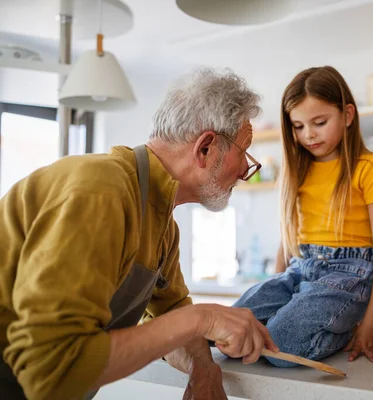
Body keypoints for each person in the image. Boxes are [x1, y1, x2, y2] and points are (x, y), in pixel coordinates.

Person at [0, 68, 278, 400]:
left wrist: (203, 368)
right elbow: (53, 369)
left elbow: (172, 313)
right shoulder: (102, 191)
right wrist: (202, 317)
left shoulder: (163, 225)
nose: (246, 172)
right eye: (244, 154)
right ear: (206, 148)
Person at [232, 66, 373, 366]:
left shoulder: (369, 167)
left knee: (278, 349)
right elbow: (288, 238)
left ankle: (347, 329)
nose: (308, 134)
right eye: (298, 126)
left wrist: (372, 325)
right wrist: (276, 285)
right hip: (299, 268)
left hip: (351, 274)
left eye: (319, 122)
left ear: (347, 115)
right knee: (230, 330)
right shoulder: (297, 170)